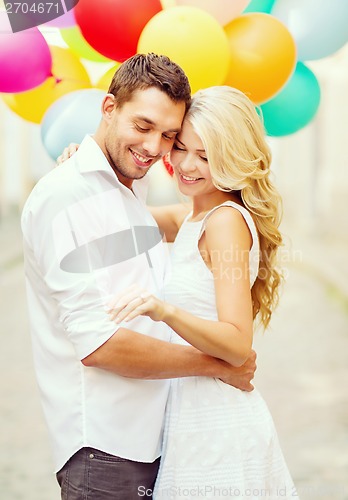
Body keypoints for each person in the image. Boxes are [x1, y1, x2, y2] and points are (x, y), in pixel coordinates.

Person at [21, 54, 256, 500]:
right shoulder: (68, 196)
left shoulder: (129, 187)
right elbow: (99, 344)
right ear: (109, 108)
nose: (155, 147)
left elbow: (192, 228)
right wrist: (218, 364)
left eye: (169, 136)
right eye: (143, 126)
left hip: (159, 436)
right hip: (107, 448)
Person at [103, 86, 299, 499]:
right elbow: (118, 218)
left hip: (218, 425)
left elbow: (237, 343)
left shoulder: (225, 222)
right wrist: (88, 165)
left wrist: (163, 310)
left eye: (207, 156)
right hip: (188, 414)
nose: (187, 165)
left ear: (232, 157)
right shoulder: (192, 216)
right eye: (182, 147)